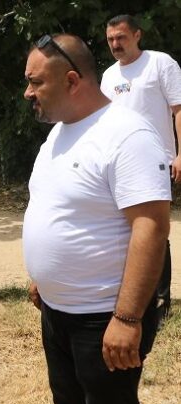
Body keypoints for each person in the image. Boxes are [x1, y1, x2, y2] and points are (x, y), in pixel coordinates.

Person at [23, 33, 170, 404]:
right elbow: (55, 206)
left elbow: (151, 227)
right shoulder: (58, 132)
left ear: (72, 81)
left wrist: (127, 319)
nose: (27, 92)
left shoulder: (127, 134)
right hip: (58, 312)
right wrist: (45, 276)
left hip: (104, 316)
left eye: (36, 81)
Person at [100, 14, 181, 322]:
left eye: (121, 37)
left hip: (155, 160)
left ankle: (161, 301)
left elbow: (178, 111)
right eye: (110, 40)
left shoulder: (160, 64)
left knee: (154, 230)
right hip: (117, 164)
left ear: (137, 35)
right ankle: (133, 294)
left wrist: (180, 154)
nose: (115, 44)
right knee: (123, 230)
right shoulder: (108, 76)